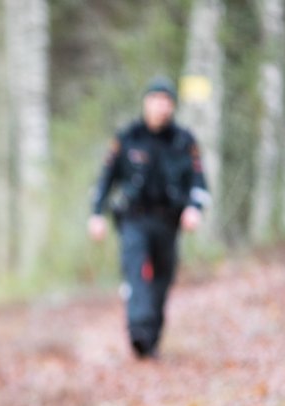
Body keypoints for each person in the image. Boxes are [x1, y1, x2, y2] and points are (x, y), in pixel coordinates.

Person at [88, 76, 210, 358]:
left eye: (167, 102)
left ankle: (151, 339)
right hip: (134, 220)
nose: (161, 107)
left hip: (168, 222)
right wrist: (96, 214)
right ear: (146, 103)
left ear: (173, 106)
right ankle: (139, 330)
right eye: (156, 100)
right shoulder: (127, 138)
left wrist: (195, 209)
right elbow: (105, 180)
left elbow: (200, 182)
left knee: (162, 281)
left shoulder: (184, 141)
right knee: (137, 272)